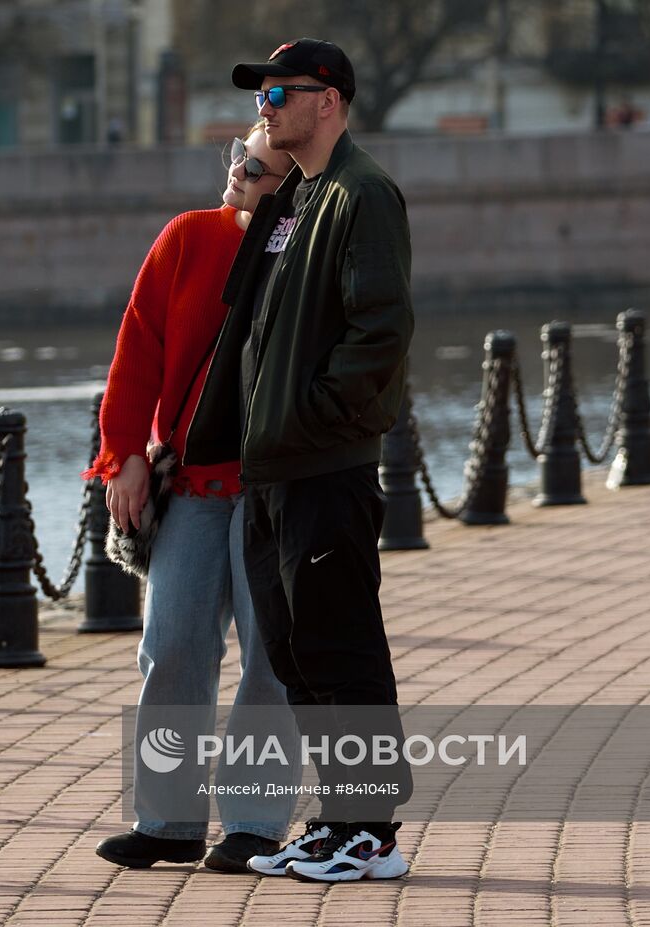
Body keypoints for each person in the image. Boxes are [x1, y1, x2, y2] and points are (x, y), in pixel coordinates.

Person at [184, 38, 416, 882]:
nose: (265, 108)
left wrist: (315, 420)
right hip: (273, 469)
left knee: (341, 646)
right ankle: (335, 819)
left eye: (281, 94)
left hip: (323, 464)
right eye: (260, 95)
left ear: (330, 100)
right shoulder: (297, 201)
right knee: (291, 652)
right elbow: (248, 330)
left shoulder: (363, 194)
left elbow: (380, 332)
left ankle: (372, 832)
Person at [87, 122, 299, 873]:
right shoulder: (185, 238)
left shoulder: (304, 252)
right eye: (240, 157)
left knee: (272, 660)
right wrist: (122, 459)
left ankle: (253, 822)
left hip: (275, 487)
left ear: (294, 187)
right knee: (171, 644)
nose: (239, 172)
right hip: (194, 484)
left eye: (261, 168)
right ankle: (169, 820)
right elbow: (136, 350)